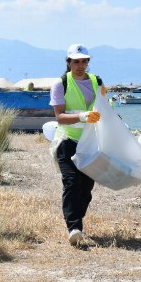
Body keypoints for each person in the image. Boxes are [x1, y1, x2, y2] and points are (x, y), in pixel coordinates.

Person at [49, 43, 106, 246]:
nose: (80, 65)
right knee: (72, 182)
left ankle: (76, 219)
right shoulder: (60, 84)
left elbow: (104, 107)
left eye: (84, 61)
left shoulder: (96, 81)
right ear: (68, 62)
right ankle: (74, 228)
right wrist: (82, 116)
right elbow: (59, 117)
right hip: (67, 141)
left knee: (86, 188)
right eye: (76, 61)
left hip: (90, 142)